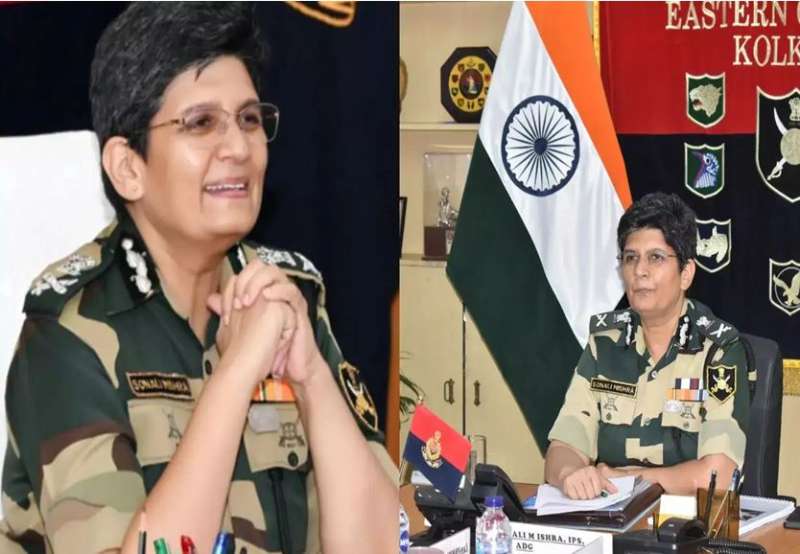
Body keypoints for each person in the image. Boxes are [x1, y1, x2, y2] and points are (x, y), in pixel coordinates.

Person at [0, 4, 396, 553]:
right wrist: (236, 373)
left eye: (249, 119)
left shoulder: (288, 297)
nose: (238, 148)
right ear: (128, 168)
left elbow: (384, 543)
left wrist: (311, 377)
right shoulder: (68, 335)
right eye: (201, 123)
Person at [545, 192, 749, 500]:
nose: (640, 270)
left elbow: (718, 476)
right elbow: (563, 446)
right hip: (611, 515)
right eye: (631, 258)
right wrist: (570, 474)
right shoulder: (605, 343)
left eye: (656, 258)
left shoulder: (718, 350)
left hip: (685, 521)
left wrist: (629, 479)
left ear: (686, 273)